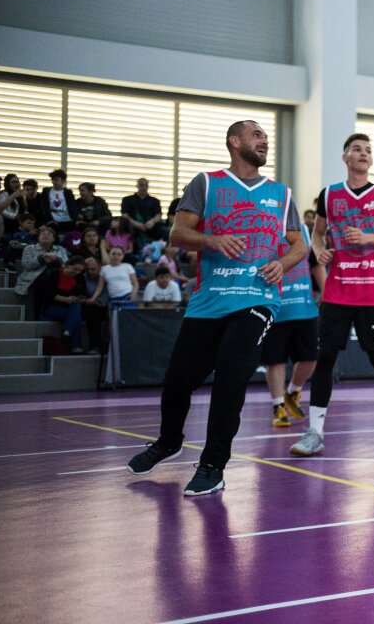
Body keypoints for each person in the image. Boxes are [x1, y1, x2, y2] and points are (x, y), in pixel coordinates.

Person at [125, 120, 307, 496]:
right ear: (234, 141)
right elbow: (177, 234)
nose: (264, 140)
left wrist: (283, 264)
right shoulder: (206, 183)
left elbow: (299, 245)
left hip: (257, 300)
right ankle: (169, 440)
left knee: (231, 372)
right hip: (208, 302)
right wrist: (211, 238)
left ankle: (213, 465)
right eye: (256, 135)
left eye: (265, 137)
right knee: (177, 381)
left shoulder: (281, 193)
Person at [291, 132, 374, 458]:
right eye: (357, 149)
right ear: (345, 158)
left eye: (368, 150)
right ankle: (315, 432)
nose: (363, 153)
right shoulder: (329, 195)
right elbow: (317, 236)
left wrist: (367, 236)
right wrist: (321, 252)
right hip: (339, 290)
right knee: (326, 357)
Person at [261, 224, 319, 428]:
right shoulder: (263, 229)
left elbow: (316, 264)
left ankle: (293, 391)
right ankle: (278, 406)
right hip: (276, 306)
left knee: (310, 358)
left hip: (305, 306)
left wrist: (326, 293)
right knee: (275, 361)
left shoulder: (304, 230)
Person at [35, 255, 88, 352]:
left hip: (70, 308)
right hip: (52, 308)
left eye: (80, 271)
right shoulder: (54, 274)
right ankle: (75, 345)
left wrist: (78, 298)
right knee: (76, 316)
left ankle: (67, 332)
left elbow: (83, 294)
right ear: (67, 265)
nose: (77, 272)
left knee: (76, 308)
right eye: (75, 269)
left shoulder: (79, 278)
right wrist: (66, 299)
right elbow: (48, 295)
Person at [121, 178, 166, 243]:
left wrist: (152, 222)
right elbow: (124, 215)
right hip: (132, 227)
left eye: (146, 185)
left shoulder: (155, 201)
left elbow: (158, 215)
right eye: (141, 185)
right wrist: (136, 224)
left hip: (151, 228)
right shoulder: (127, 200)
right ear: (137, 186)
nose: (144, 187)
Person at [39, 169, 77, 233]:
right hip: (52, 220)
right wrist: (49, 220)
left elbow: (72, 207)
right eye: (52, 180)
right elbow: (44, 207)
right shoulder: (46, 192)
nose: (53, 182)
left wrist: (75, 219)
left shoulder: (68, 193)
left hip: (67, 220)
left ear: (63, 181)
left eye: (56, 180)